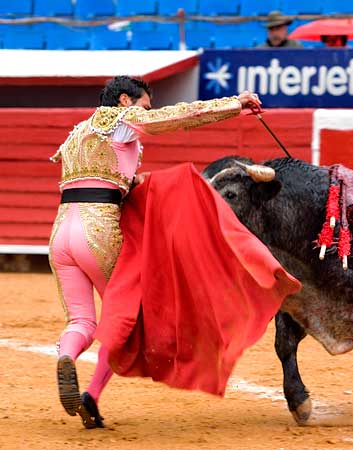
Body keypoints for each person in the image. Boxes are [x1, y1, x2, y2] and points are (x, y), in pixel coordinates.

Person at [49, 75, 261, 429]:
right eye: (144, 106)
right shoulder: (119, 121)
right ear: (124, 102)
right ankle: (91, 396)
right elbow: (179, 116)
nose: (148, 113)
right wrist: (233, 104)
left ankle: (66, 356)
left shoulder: (76, 134)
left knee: (82, 320)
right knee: (126, 323)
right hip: (99, 230)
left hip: (60, 233)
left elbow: (114, 179)